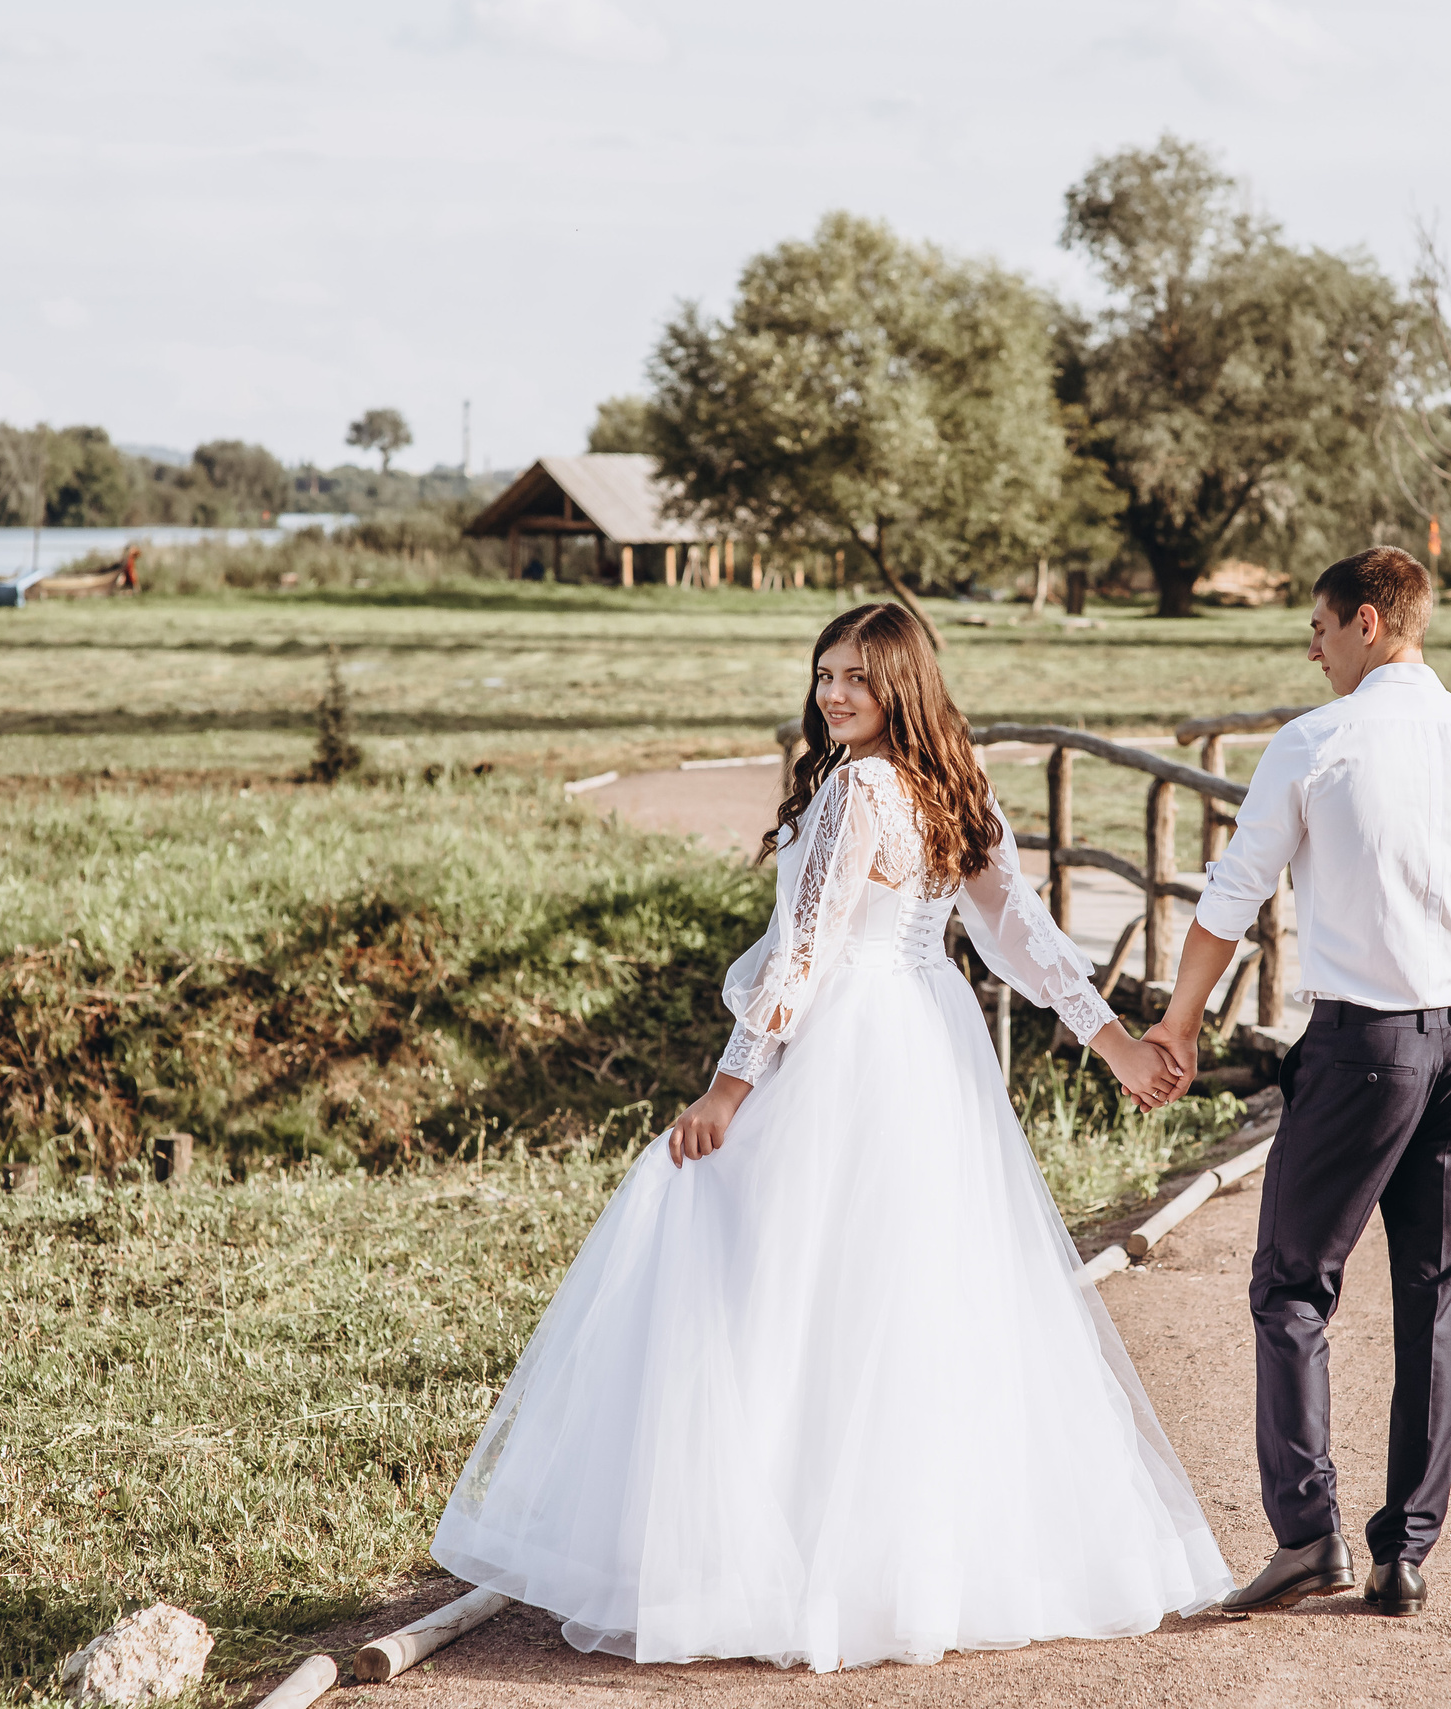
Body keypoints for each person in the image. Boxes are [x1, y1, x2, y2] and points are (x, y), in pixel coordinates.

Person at [432, 602, 1231, 1672]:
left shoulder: (858, 786)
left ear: (900, 682)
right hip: (928, 1043)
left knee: (775, 1275)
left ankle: (774, 1558)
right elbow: (1015, 936)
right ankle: (904, 1563)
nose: (834, 694)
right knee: (900, 1289)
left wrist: (727, 1088)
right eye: (822, 676)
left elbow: (806, 950)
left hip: (847, 1044)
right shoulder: (952, 783)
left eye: (856, 676)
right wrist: (1116, 1042)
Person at [1143, 545, 1451, 1621]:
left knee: (1291, 1287)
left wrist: (1179, 1022)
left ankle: (1306, 1534)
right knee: (1436, 1306)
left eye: (1320, 628)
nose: (1313, 648)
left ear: (1368, 623)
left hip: (1360, 1051)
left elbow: (1231, 894)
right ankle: (1403, 1553)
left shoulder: (1315, 743)